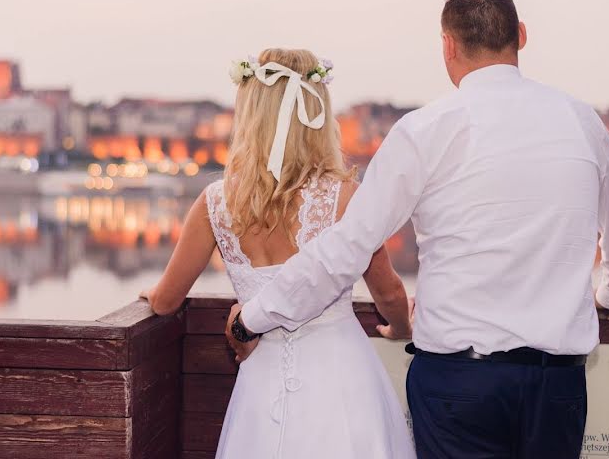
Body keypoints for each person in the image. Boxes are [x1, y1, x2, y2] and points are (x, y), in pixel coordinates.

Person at [230, 0, 609, 459]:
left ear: (448, 45)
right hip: (555, 383)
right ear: (522, 35)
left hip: (457, 384)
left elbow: (347, 247)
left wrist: (253, 318)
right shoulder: (581, 121)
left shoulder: (424, 131)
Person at [141, 48, 416, 458]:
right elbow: (389, 292)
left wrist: (149, 296)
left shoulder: (215, 202)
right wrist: (400, 330)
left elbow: (167, 300)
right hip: (341, 383)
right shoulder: (344, 198)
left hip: (261, 385)